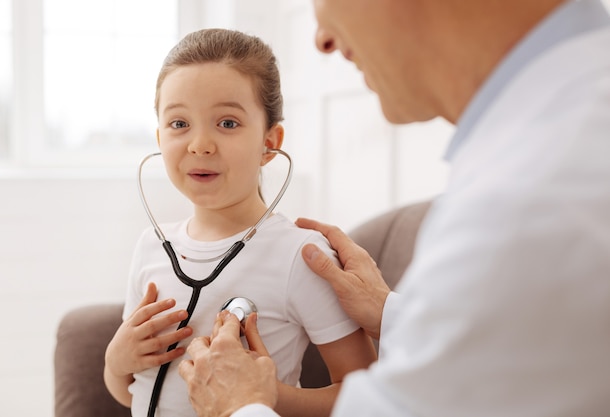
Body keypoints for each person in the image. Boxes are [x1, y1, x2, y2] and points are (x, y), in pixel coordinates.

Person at [178, 0, 610, 416]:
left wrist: (240, 406)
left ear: (270, 143)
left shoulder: (532, 199)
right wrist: (390, 312)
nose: (321, 39)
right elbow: (518, 340)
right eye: (178, 123)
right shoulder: (558, 133)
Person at [103, 28, 376, 417]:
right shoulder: (150, 246)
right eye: (179, 124)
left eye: (227, 123)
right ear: (160, 137)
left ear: (270, 142)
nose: (200, 144)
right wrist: (116, 364)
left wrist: (262, 397)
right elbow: (138, 394)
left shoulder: (301, 255)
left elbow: (366, 398)